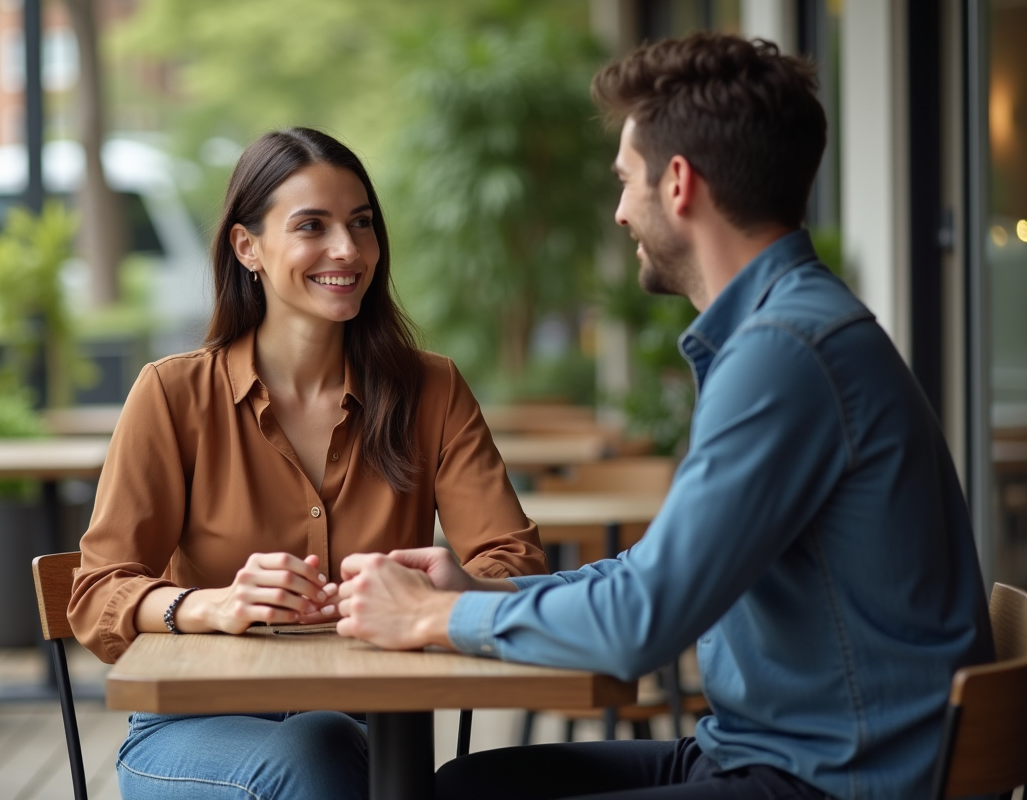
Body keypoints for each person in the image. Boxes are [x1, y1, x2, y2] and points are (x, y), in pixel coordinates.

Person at [335, 33, 995, 800]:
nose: (619, 212)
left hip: (832, 779)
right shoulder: (783, 334)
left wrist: (431, 620)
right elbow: (653, 577)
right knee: (470, 787)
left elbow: (639, 625)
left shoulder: (786, 354)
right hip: (768, 750)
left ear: (678, 183)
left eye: (626, 181)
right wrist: (474, 596)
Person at [68, 127, 547, 800]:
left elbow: (517, 566)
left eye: (361, 225)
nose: (347, 250)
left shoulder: (432, 391)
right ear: (248, 247)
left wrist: (444, 588)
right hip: (194, 734)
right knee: (319, 755)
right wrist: (216, 605)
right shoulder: (172, 394)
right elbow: (94, 595)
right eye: (311, 226)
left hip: (373, 732)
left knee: (333, 746)